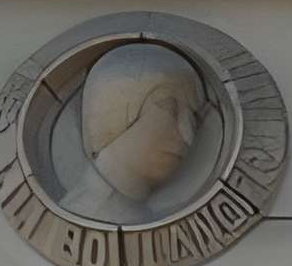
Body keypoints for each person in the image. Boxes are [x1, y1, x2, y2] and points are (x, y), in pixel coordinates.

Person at [59, 40, 208, 220]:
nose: (187, 136)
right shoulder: (83, 214)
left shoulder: (142, 218)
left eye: (193, 119)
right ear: (116, 107)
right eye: (171, 109)